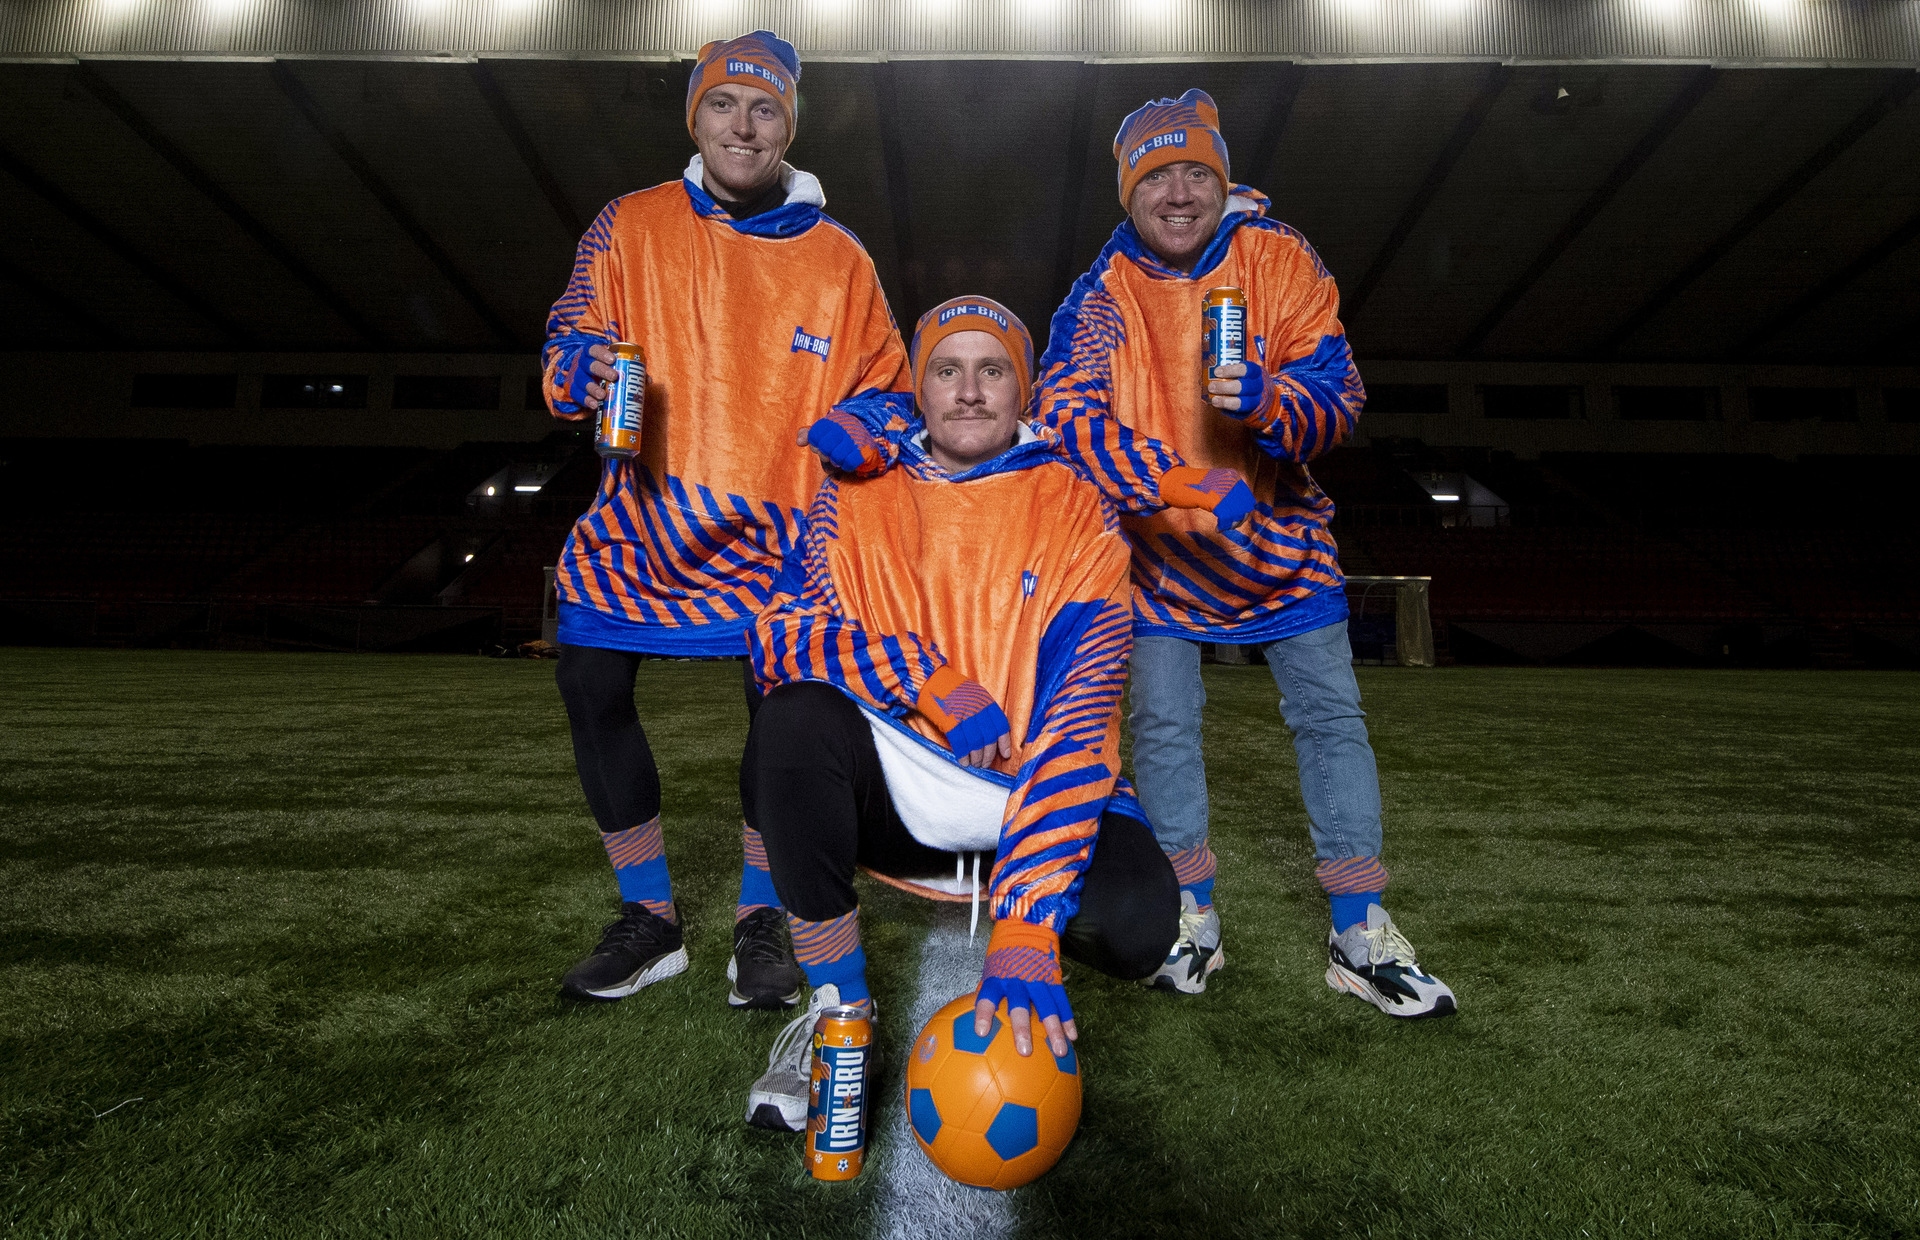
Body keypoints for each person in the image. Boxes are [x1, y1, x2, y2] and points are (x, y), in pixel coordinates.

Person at [1036, 89, 1455, 1017]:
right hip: (1157, 559)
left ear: (1222, 184)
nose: (1178, 193)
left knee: (1332, 724)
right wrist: (1173, 482)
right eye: (1157, 175)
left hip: (1284, 548)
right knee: (1164, 731)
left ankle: (1360, 928)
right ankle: (1192, 914)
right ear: (1127, 192)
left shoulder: (1279, 257)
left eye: (1197, 173)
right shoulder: (1100, 295)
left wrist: (1271, 405)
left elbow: (1337, 393)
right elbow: (1065, 420)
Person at [737, 296, 1180, 1131]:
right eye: (946, 369)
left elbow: (1079, 722)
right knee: (789, 721)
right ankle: (839, 1013)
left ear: (1027, 390)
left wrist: (1026, 920)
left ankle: (1023, 966)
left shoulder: (1079, 507)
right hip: (901, 776)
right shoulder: (853, 493)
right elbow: (778, 634)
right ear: (920, 390)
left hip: (1025, 786)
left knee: (1139, 928)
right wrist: (926, 679)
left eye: (992, 370)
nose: (968, 391)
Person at [539, 30, 909, 1009]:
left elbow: (892, 394)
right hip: (646, 516)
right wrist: (577, 369)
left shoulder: (840, 258)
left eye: (765, 110)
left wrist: (852, 429)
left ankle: (761, 917)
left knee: (779, 719)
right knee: (588, 676)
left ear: (790, 126)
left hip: (783, 537)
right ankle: (650, 919)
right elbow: (569, 331)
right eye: (723, 106)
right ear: (694, 117)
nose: (743, 126)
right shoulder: (630, 225)